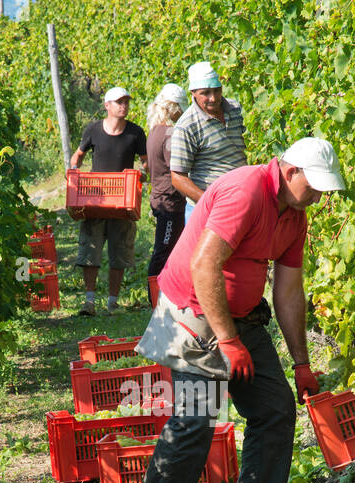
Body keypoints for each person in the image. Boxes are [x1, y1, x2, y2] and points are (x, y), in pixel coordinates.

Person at [126, 138, 346, 483]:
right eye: (314, 186)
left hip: (242, 318)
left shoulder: (295, 216)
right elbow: (204, 265)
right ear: (289, 171)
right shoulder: (245, 192)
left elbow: (287, 290)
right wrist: (227, 342)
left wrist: (301, 362)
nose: (319, 196)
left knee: (276, 407)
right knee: (196, 420)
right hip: (192, 317)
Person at [70, 86, 148, 316]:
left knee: (120, 251)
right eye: (118, 102)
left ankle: (112, 301)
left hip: (122, 203)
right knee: (90, 250)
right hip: (96, 198)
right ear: (107, 106)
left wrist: (143, 173)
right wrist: (74, 171)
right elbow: (79, 155)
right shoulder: (93, 130)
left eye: (126, 102)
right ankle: (89, 301)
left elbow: (145, 163)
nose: (123, 105)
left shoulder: (135, 132)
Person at [169, 62, 247, 225]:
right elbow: (177, 177)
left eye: (217, 90)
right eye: (206, 93)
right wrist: (208, 202)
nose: (213, 98)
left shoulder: (235, 109)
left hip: (241, 202)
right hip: (205, 210)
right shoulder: (186, 126)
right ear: (193, 93)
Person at [146, 83, 188, 278]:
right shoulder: (170, 133)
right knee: (163, 251)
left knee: (169, 250)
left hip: (161, 198)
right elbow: (177, 168)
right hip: (169, 202)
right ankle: (153, 298)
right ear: (174, 109)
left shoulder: (154, 131)